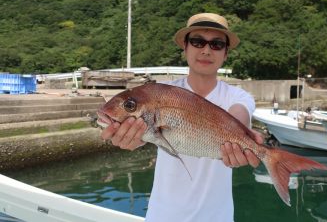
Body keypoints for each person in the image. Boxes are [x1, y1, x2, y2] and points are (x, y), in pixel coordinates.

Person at [101, 13, 263, 222]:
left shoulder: (238, 96)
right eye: (197, 42)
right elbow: (146, 133)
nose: (206, 50)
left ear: (226, 54)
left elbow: (240, 115)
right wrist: (131, 139)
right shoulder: (162, 93)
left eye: (216, 44)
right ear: (185, 48)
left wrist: (243, 139)